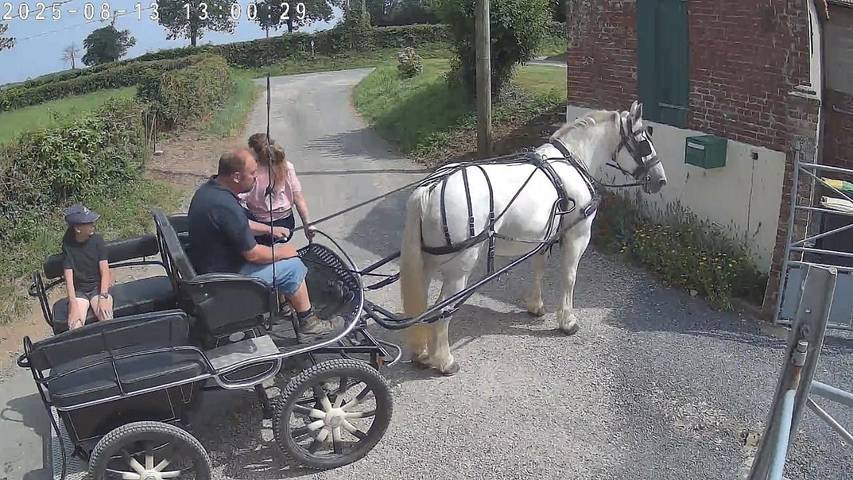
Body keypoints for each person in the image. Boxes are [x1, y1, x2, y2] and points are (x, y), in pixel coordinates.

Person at [186, 148, 334, 336]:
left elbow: (237, 224)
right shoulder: (225, 205)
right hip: (226, 279)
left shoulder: (210, 191)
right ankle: (309, 324)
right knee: (293, 266)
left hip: (210, 266)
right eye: (253, 174)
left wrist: (269, 229)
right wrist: (284, 253)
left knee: (278, 254)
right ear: (237, 177)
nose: (256, 178)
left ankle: (285, 307)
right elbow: (253, 254)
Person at [244, 133, 317, 245]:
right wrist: (307, 223)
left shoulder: (250, 171)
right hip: (286, 225)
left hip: (258, 226)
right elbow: (298, 197)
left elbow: (236, 198)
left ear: (253, 152)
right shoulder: (287, 166)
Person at [60, 203, 113, 330]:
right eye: (89, 223)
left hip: (97, 288)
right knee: (74, 325)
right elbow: (69, 278)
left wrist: (103, 296)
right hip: (80, 292)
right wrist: (73, 305)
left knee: (106, 318)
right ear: (78, 229)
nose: (93, 225)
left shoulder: (97, 241)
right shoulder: (68, 245)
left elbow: (105, 270)